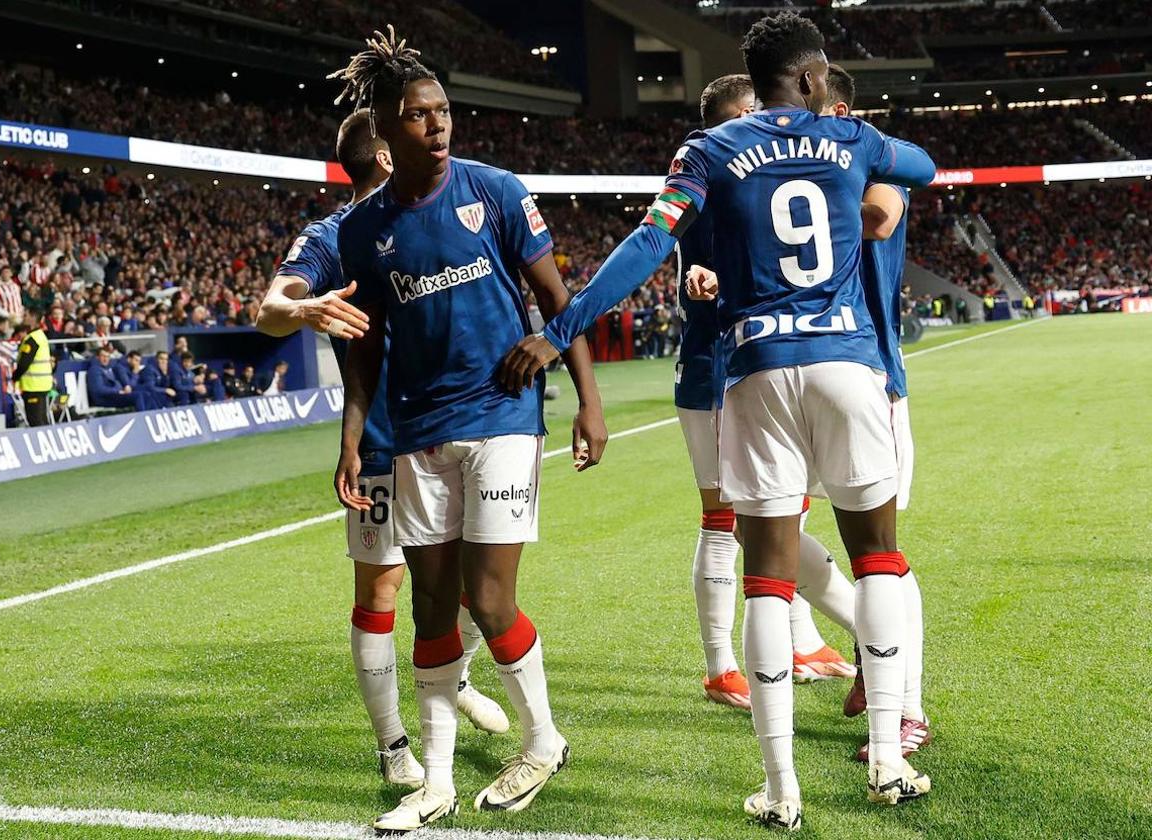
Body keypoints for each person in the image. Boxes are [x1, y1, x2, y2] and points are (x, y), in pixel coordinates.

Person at [500, 12, 936, 829]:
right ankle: (888, 756)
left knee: (766, 575)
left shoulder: (708, 151)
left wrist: (562, 329)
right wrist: (853, 139)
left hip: (755, 371)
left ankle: (780, 788)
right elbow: (924, 164)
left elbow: (644, 242)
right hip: (848, 362)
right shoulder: (851, 139)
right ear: (811, 78)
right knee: (879, 556)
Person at [328, 27, 607, 831]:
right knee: (431, 610)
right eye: (419, 115)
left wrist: (587, 400)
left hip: (502, 417)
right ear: (387, 128)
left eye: (444, 111)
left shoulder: (496, 191)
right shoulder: (362, 232)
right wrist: (355, 432)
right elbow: (366, 347)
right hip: (416, 432)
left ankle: (544, 739)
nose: (439, 126)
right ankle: (436, 783)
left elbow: (562, 301)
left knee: (489, 600)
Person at [255, 107, 508, 791]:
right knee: (384, 587)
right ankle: (394, 746)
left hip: (456, 425)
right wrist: (305, 309)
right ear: (388, 157)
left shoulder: (441, 207)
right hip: (381, 441)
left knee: (477, 587)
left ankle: (450, 679)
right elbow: (269, 307)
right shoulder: (336, 234)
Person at [673, 74, 855, 714]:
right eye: (743, 116)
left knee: (791, 508)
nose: (759, 125)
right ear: (715, 128)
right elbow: (686, 262)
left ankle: (803, 639)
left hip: (767, 363)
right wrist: (698, 279)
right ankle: (721, 665)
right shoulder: (703, 175)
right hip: (714, 367)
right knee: (728, 519)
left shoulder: (764, 176)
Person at [822, 63, 929, 762]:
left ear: (835, 110)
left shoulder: (873, 157)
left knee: (879, 552)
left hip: (872, 381)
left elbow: (882, 216)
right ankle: (869, 641)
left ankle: (908, 707)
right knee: (753, 536)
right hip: (790, 379)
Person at [12, 308, 53, 426]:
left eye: (26, 315)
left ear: (33, 319)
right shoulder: (41, 336)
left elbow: (24, 363)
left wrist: (15, 376)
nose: (23, 317)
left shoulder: (32, 339)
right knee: (42, 418)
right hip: (42, 383)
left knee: (35, 420)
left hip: (33, 385)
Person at [87, 344, 146, 411]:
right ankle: (143, 417)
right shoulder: (94, 370)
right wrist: (118, 391)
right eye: (103, 356)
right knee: (137, 396)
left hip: (115, 395)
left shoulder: (110, 368)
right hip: (105, 398)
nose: (106, 359)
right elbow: (98, 390)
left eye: (108, 357)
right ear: (97, 357)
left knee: (144, 394)